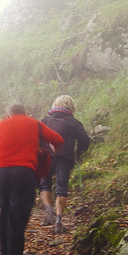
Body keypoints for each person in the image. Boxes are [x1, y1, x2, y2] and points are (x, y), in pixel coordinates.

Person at [0, 102, 64, 255]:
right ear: (25, 112)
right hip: (24, 172)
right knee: (17, 218)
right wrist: (53, 151)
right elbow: (59, 140)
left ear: (8, 114)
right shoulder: (34, 123)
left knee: (4, 212)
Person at [39, 94, 91, 234]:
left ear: (55, 105)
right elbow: (85, 141)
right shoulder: (73, 123)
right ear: (71, 107)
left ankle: (49, 213)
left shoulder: (45, 120)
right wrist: (78, 151)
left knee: (45, 184)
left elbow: (38, 138)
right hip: (65, 157)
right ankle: (58, 220)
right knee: (62, 187)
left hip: (46, 157)